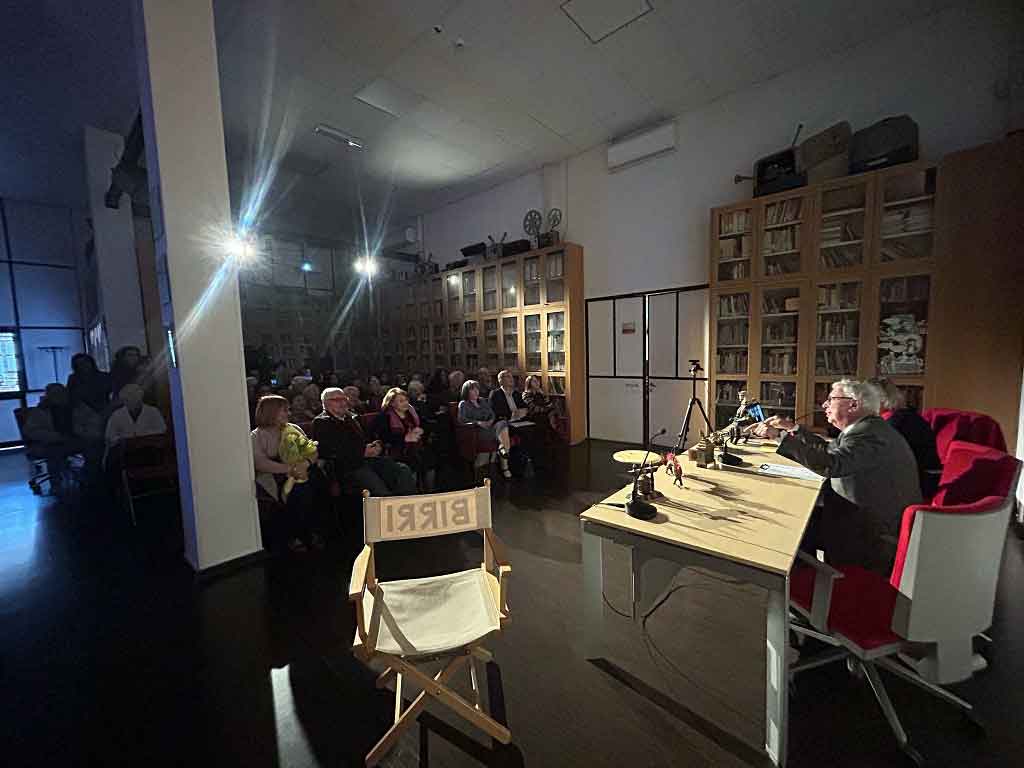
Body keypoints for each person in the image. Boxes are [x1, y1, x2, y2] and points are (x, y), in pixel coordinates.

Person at [751, 378, 921, 574]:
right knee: (798, 520)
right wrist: (792, 429)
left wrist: (779, 437)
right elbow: (829, 450)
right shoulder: (866, 428)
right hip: (861, 518)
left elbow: (832, 464)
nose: (824, 404)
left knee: (790, 527)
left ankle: (805, 584)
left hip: (871, 535)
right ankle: (806, 579)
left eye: (831, 399)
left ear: (853, 405)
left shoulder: (868, 434)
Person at [251, 395, 324, 553]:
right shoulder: (257, 436)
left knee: (316, 482)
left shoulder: (293, 428)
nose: (288, 413)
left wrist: (305, 463)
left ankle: (311, 530)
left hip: (301, 469)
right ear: (271, 412)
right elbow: (260, 463)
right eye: (284, 410)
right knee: (298, 492)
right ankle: (296, 535)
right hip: (275, 475)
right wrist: (290, 469)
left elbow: (311, 450)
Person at [311, 388, 416, 496]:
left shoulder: (352, 417)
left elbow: (367, 437)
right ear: (326, 403)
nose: (342, 403)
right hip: (348, 466)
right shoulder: (322, 422)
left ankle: (406, 502)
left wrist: (376, 445)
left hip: (368, 460)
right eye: (337, 400)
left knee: (402, 470)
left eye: (344, 399)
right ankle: (386, 504)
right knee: (376, 486)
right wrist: (362, 452)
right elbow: (328, 450)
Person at [870, 377, 941, 498]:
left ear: (879, 400)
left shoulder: (895, 423)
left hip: (922, 482)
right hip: (920, 477)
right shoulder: (903, 416)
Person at [23, 383, 104, 489]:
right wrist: (55, 437)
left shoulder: (78, 406)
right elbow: (31, 431)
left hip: (77, 439)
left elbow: (94, 421)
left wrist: (83, 432)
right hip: (51, 442)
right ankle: (56, 484)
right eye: (54, 394)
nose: (59, 396)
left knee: (95, 448)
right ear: (48, 396)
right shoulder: (41, 411)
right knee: (54, 451)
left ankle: (91, 479)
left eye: (61, 393)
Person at [458, 379, 512, 479]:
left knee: (502, 423)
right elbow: (462, 419)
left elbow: (492, 414)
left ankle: (502, 448)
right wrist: (478, 423)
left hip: (490, 426)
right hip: (478, 430)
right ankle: (504, 462)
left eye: (477, 389)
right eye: (472, 389)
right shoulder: (463, 404)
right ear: (466, 392)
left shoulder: (482, 401)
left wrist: (490, 421)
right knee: (498, 434)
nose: (476, 391)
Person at [372, 387, 424, 469]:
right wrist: (405, 438)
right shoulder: (384, 417)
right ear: (392, 403)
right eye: (401, 401)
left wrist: (420, 431)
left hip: (414, 447)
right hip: (395, 451)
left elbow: (421, 426)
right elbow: (384, 438)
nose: (405, 403)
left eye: (406, 400)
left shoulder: (411, 412)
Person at [105, 384, 167, 451]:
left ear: (140, 398)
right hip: (125, 452)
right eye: (126, 400)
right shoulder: (116, 415)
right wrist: (123, 439)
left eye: (134, 398)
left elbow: (162, 430)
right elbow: (109, 436)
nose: (130, 401)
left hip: (150, 450)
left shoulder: (153, 411)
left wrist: (142, 437)